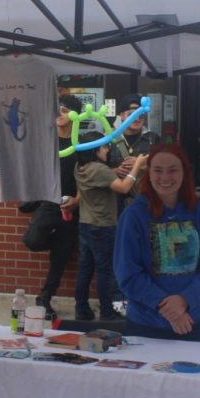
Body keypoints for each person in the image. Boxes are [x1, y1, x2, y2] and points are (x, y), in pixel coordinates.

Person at [115, 144, 200, 342]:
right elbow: (128, 273)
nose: (165, 177)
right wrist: (167, 307)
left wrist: (185, 300)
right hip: (146, 326)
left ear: (184, 172)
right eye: (158, 170)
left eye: (173, 170)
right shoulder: (134, 216)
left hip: (194, 323)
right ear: (149, 174)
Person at [74, 132, 146, 322]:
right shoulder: (100, 169)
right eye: (104, 147)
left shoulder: (81, 166)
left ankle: (81, 308)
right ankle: (106, 312)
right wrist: (137, 165)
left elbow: (101, 178)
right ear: (95, 150)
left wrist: (115, 170)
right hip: (103, 227)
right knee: (105, 271)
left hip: (85, 224)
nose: (107, 150)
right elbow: (123, 188)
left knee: (85, 269)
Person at [35, 94, 84, 322]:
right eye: (57, 110)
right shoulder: (46, 141)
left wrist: (78, 199)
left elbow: (90, 176)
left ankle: (45, 298)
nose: (59, 114)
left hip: (72, 206)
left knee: (62, 256)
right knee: (33, 239)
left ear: (75, 116)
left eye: (64, 111)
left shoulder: (82, 144)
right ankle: (54, 240)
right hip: (48, 201)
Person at [107, 92, 161, 193]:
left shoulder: (153, 139)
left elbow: (163, 168)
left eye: (141, 114)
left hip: (145, 198)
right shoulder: (109, 138)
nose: (137, 119)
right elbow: (96, 170)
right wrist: (115, 171)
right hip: (115, 201)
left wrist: (141, 165)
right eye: (131, 115)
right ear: (122, 115)